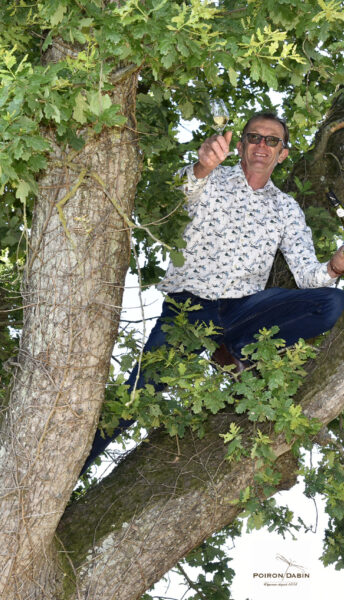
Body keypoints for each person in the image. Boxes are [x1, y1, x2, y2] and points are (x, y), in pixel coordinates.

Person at [82, 111, 344, 474]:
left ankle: (232, 350)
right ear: (240, 145)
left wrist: (333, 267)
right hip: (189, 307)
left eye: (272, 141)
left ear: (282, 153)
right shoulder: (209, 178)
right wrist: (202, 167)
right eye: (254, 137)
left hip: (244, 310)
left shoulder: (286, 209)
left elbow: (306, 276)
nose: (262, 146)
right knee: (136, 396)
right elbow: (171, 199)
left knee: (331, 301)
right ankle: (68, 474)